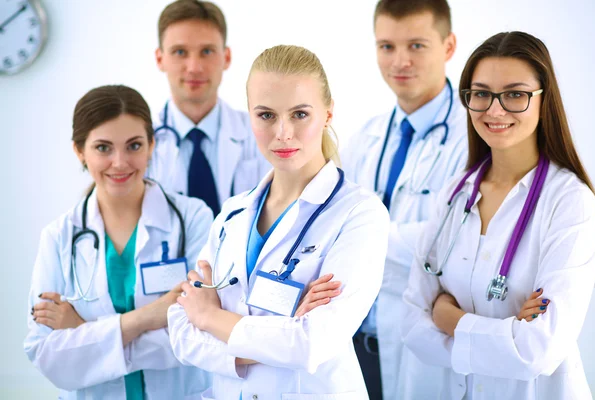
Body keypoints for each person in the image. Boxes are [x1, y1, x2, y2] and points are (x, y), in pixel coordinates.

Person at [167, 45, 390, 399]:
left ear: (328, 114)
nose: (283, 133)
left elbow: (311, 344)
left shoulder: (359, 214)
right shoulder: (232, 215)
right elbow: (180, 329)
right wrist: (276, 337)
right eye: (266, 115)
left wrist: (210, 319)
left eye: (300, 114)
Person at [401, 31, 595, 399]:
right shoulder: (455, 194)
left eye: (514, 94)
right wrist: (507, 331)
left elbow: (539, 350)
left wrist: (450, 320)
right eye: (481, 94)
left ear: (544, 100)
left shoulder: (570, 202)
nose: (494, 109)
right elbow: (413, 328)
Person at [24, 85, 214, 399]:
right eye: (103, 148)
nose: (120, 162)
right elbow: (48, 355)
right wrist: (146, 318)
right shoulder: (59, 237)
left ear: (151, 145)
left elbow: (201, 333)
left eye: (134, 145)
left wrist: (83, 331)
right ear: (79, 151)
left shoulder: (193, 218)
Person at [341, 0, 467, 398]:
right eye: (386, 46)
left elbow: (453, 242)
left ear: (448, 46)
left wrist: (357, 241)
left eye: (416, 45)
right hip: (356, 346)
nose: (400, 61)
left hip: (423, 348)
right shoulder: (366, 137)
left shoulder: (474, 138)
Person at [148, 0, 270, 216]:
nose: (194, 68)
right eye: (179, 52)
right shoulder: (141, 144)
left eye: (206, 51)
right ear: (160, 59)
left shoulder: (260, 134)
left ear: (227, 57)